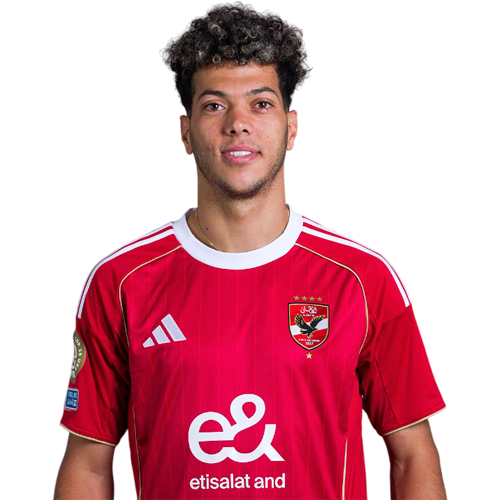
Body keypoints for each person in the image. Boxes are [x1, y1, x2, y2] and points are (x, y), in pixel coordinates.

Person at [54, 4, 447, 499]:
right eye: (214, 105)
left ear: (291, 126)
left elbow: (412, 456)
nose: (238, 123)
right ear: (185, 130)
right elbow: (88, 466)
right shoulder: (121, 281)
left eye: (260, 103)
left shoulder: (363, 278)